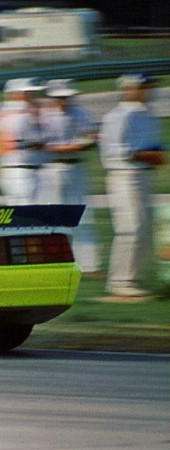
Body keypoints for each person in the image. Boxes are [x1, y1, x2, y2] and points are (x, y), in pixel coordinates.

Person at [99, 73, 166, 299]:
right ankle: (119, 281)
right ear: (129, 89)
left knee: (145, 229)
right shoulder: (119, 116)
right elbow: (113, 150)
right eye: (144, 87)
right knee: (131, 228)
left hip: (143, 175)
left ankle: (132, 278)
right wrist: (145, 155)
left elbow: (156, 146)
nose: (149, 91)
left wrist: (157, 155)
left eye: (149, 87)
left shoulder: (148, 115)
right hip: (124, 176)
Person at [40, 78, 100, 274]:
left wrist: (74, 146)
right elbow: (39, 145)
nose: (64, 100)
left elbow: (92, 137)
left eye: (67, 96)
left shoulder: (81, 113)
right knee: (54, 216)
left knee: (83, 215)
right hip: (52, 168)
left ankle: (89, 264)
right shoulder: (43, 116)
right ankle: (55, 261)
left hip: (76, 167)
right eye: (60, 97)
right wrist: (66, 147)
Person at [0, 77, 46, 205]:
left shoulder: (2, 113)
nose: (33, 97)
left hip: (8, 170)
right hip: (25, 173)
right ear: (20, 94)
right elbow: (40, 141)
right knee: (31, 217)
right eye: (30, 93)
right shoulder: (24, 115)